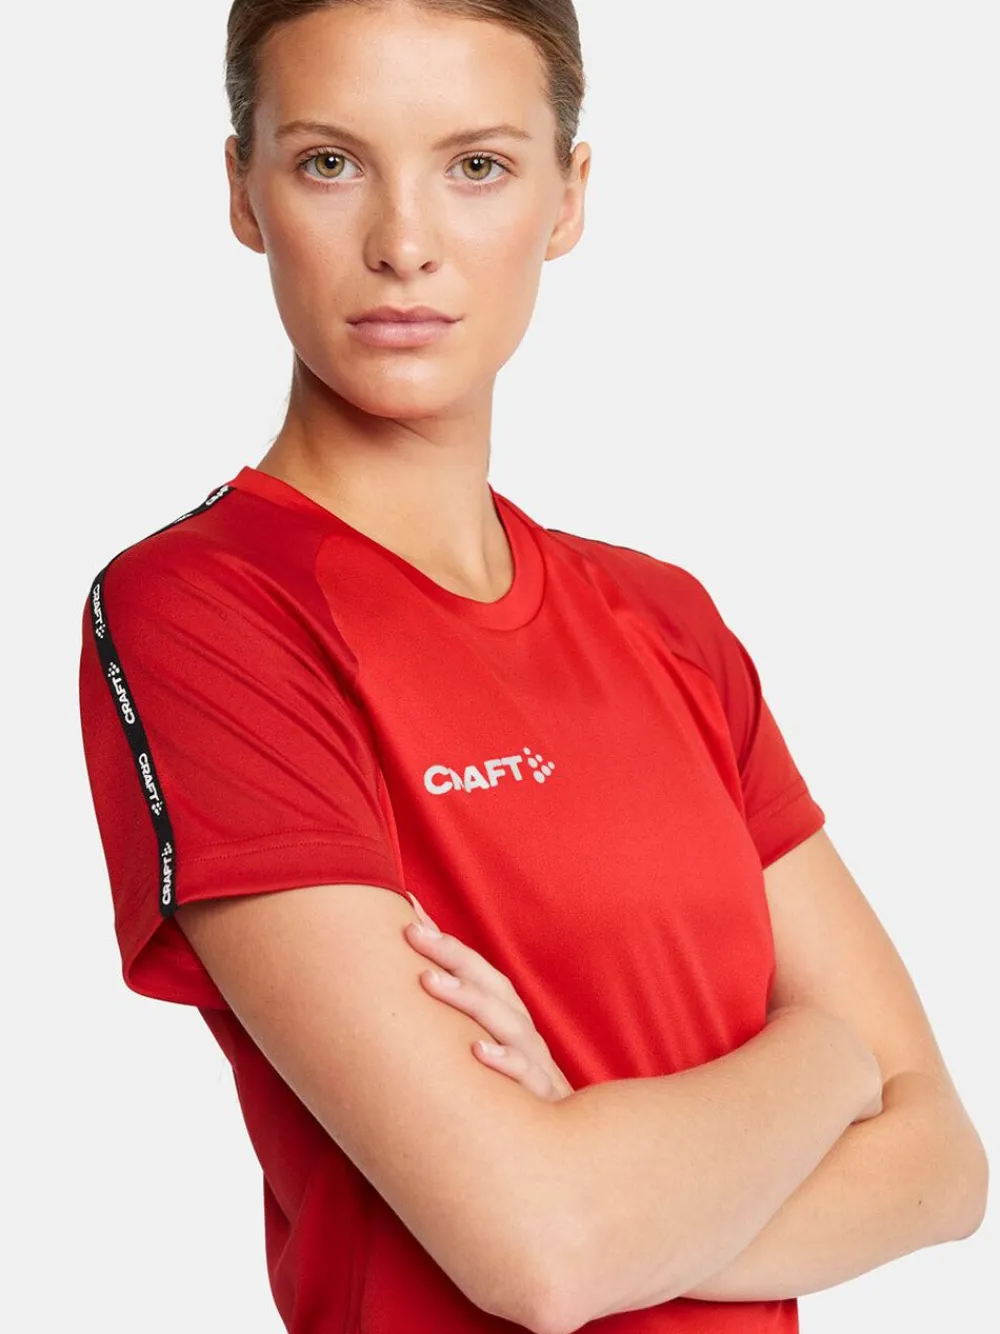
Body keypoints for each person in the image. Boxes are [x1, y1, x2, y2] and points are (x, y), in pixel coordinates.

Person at [78, 2, 988, 1332]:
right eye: (329, 161)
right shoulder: (210, 612)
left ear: (567, 196)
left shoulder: (665, 619)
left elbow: (944, 1165)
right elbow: (543, 1252)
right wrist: (829, 1057)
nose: (403, 242)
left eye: (477, 165)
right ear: (241, 190)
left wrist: (612, 1190)